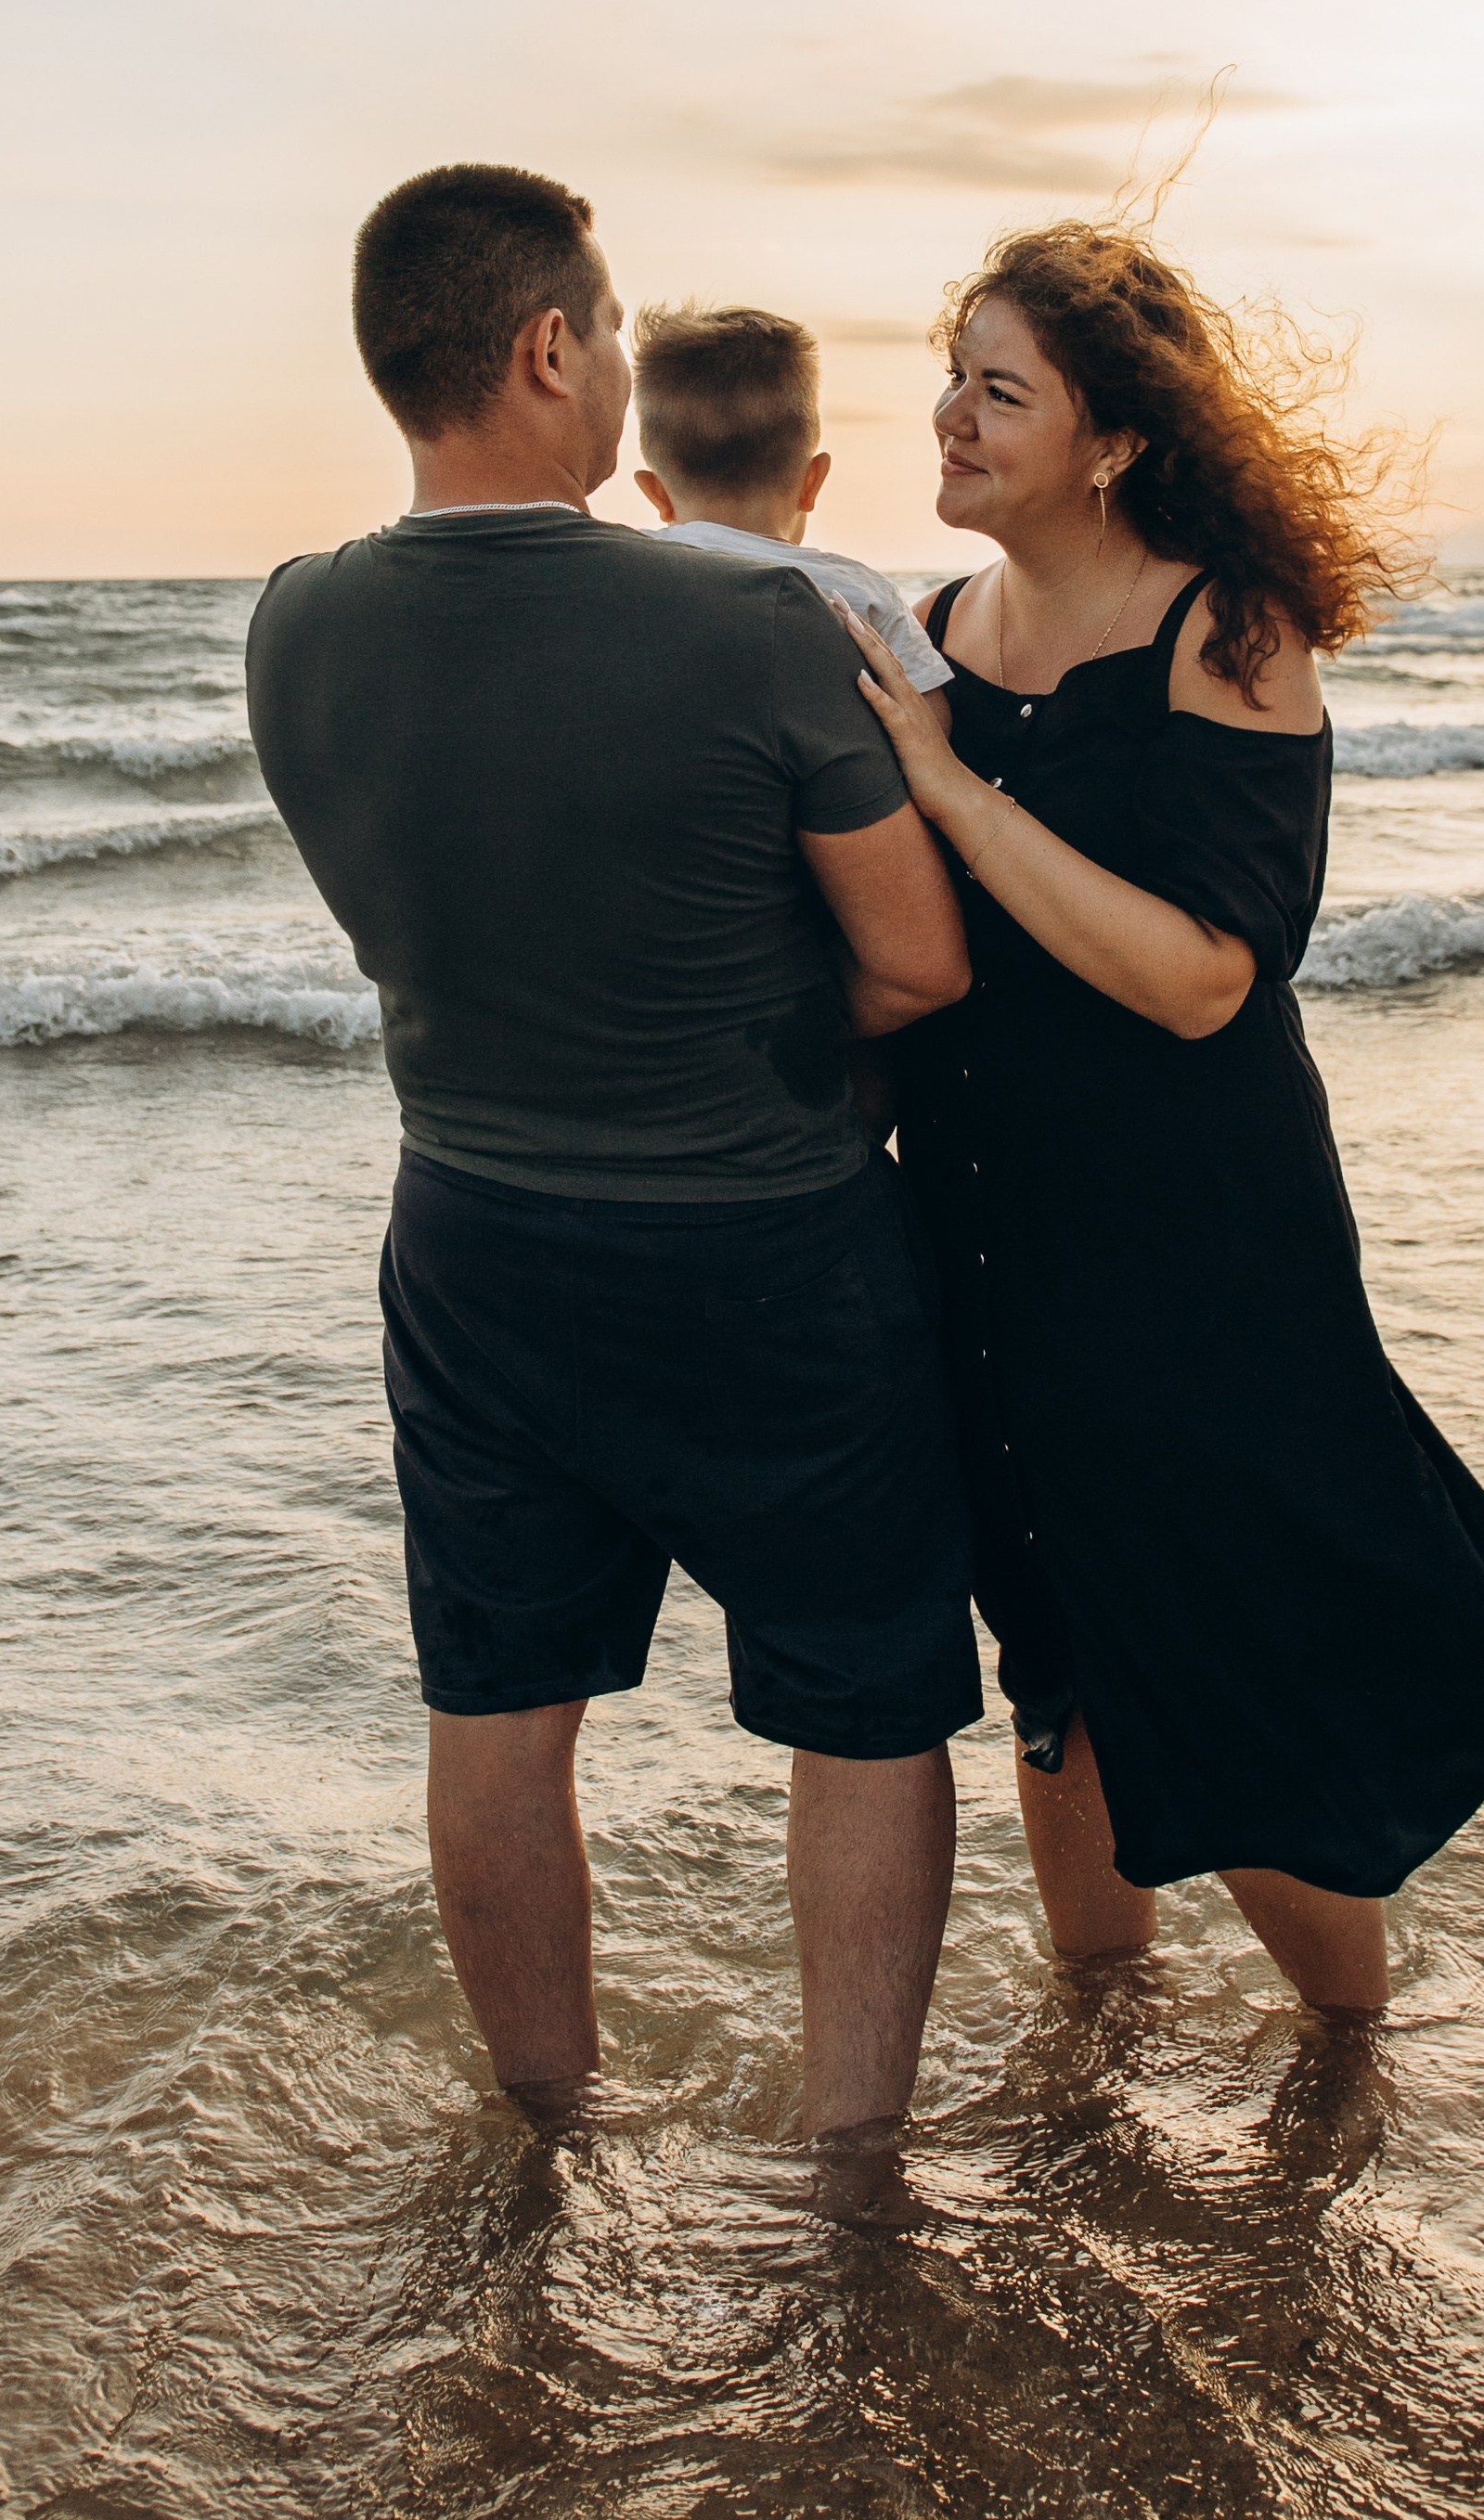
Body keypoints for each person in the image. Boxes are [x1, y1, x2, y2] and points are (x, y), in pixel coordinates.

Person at [245, 164, 981, 2138]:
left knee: (497, 1706)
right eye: (618, 329)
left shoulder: (292, 623)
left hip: (470, 1241)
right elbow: (913, 967)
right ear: (547, 346)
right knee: (860, 1700)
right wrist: (732, 1031)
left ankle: (550, 2127)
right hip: (766, 1245)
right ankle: (848, 2158)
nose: (628, 364)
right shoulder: (748, 617)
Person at [844, 215, 1484, 2016]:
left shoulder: (1226, 631)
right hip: (973, 1225)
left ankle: (1350, 2063)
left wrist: (944, 790)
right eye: (946, 377)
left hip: (1187, 1248)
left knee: (1215, 1649)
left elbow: (1200, 975)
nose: (946, 414)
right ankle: (1095, 2052)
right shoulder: (930, 628)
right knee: (1052, 1660)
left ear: (1108, 436)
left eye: (994, 387)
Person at [629, 302, 954, 723]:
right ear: (813, 480)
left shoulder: (627, 570)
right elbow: (932, 723)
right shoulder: (862, 594)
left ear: (656, 493)